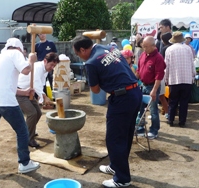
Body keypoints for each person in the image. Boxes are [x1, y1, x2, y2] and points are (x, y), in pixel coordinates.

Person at [72, 35, 142, 188]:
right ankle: (115, 165)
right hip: (135, 92)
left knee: (115, 139)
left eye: (78, 54)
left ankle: (122, 179)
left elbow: (95, 90)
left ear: (83, 49)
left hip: (122, 98)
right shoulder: (110, 48)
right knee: (126, 135)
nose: (80, 57)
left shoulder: (91, 63)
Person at [0, 38, 40, 177]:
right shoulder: (15, 54)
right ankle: (24, 163)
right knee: (22, 131)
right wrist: (31, 60)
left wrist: (24, 92)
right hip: (6, 101)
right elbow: (26, 70)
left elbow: (6, 85)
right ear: (19, 48)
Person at [17, 52, 59, 148]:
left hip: (30, 92)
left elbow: (41, 84)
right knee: (32, 113)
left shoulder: (45, 70)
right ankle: (28, 139)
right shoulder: (37, 67)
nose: (52, 67)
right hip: (20, 92)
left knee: (38, 113)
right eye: (51, 65)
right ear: (45, 61)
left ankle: (29, 131)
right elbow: (36, 83)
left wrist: (42, 97)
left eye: (54, 66)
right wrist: (44, 97)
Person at [136, 36, 166, 139]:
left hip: (152, 86)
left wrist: (154, 90)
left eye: (146, 46)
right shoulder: (143, 55)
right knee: (140, 108)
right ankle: (140, 128)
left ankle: (154, 130)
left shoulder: (158, 58)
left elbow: (159, 76)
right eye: (143, 46)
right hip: (142, 85)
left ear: (153, 46)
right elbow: (139, 70)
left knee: (153, 110)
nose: (144, 48)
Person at [165, 32, 195, 127]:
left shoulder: (169, 49)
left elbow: (167, 66)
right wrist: (193, 76)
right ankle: (182, 121)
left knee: (173, 101)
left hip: (174, 79)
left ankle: (171, 120)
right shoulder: (188, 49)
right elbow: (192, 64)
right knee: (184, 102)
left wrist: (166, 78)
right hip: (187, 79)